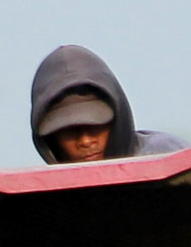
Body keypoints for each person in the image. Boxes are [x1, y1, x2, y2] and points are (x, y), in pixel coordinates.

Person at [28, 45, 182, 166]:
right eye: (69, 131)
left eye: (95, 124)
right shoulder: (45, 200)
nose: (86, 141)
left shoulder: (164, 159)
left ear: (117, 119)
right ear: (50, 139)